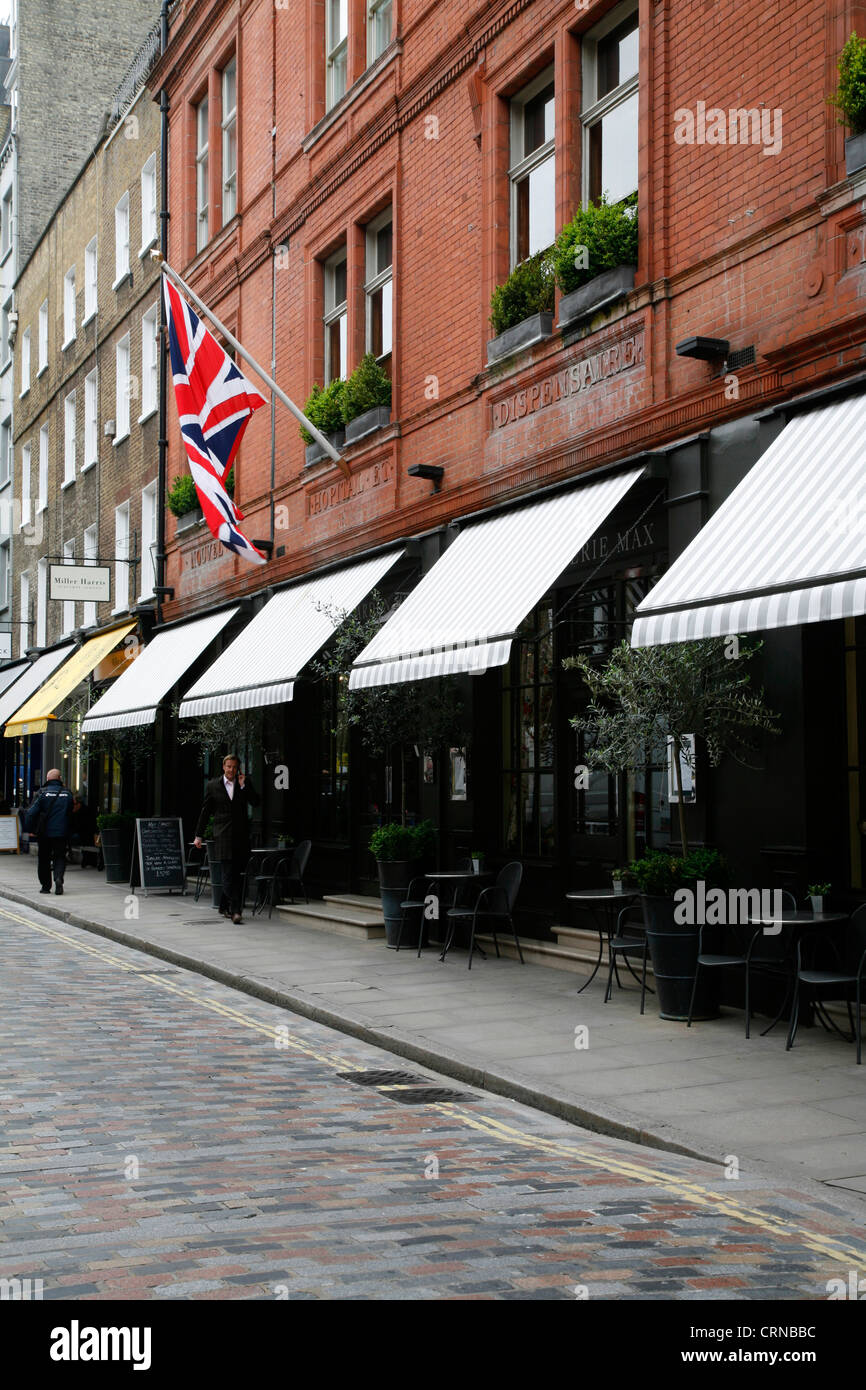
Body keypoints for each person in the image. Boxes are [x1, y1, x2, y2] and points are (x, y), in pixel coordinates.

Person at [193, 754, 260, 924]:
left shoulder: (244, 783)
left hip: (241, 836)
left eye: (234, 767)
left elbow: (256, 802)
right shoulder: (213, 785)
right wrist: (198, 836)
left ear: (238, 768)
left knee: (236, 873)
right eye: (228, 766)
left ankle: (224, 905)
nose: (231, 770)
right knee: (228, 873)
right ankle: (235, 911)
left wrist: (244, 786)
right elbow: (205, 811)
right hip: (222, 835)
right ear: (223, 767)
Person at [24, 769, 74, 895]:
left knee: (44, 859)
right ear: (60, 778)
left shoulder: (42, 793)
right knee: (60, 857)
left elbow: (31, 813)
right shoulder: (67, 794)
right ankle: (58, 878)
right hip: (61, 832)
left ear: (47, 779)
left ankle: (46, 886)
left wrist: (30, 830)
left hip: (44, 833)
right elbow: (70, 812)